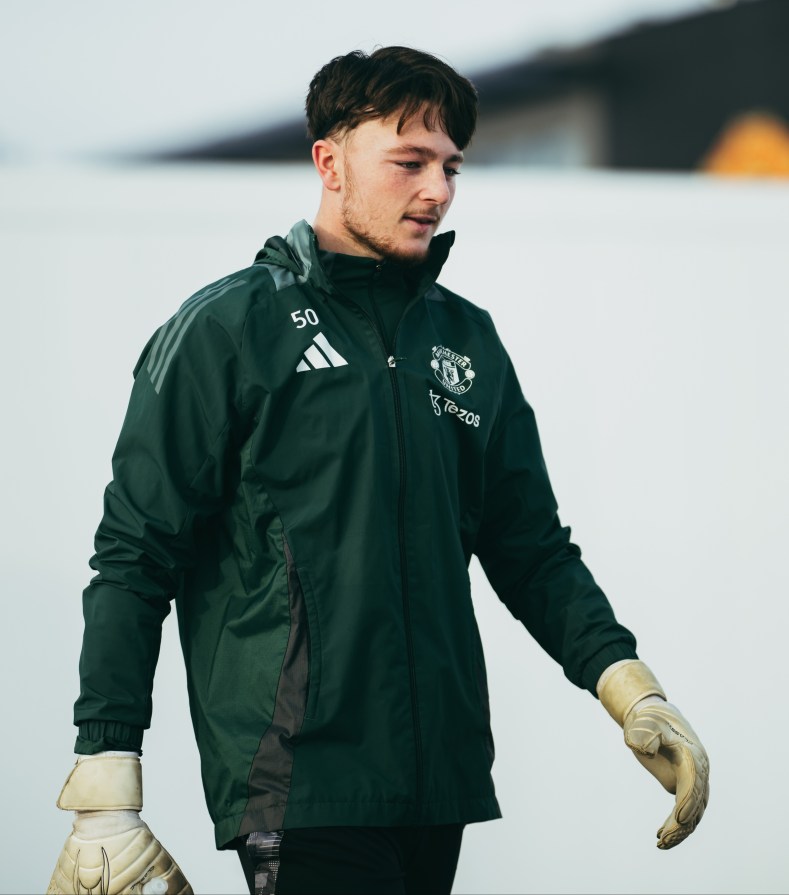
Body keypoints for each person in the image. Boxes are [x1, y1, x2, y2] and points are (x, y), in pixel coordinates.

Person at [48, 46, 710, 895]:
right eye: (409, 162)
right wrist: (105, 781)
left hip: (440, 784)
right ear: (329, 161)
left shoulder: (464, 339)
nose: (437, 190)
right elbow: (135, 557)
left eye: (450, 166)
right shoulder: (228, 329)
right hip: (301, 783)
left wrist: (632, 691)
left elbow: (531, 548)